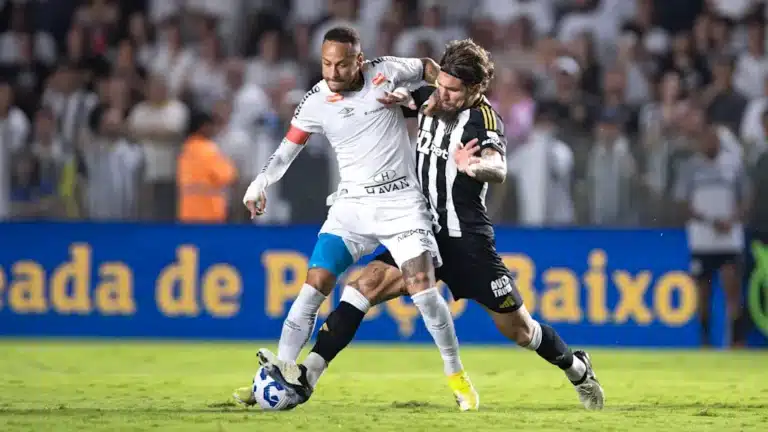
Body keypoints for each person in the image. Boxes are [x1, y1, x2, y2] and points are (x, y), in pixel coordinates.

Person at [254, 39, 606, 411]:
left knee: (521, 331)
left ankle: (577, 368)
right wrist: (397, 102)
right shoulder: (432, 96)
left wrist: (474, 165)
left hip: (466, 244)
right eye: (442, 85)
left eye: (454, 90)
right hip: (420, 230)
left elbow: (498, 166)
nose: (444, 94)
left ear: (475, 88)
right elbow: (393, 104)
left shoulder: (484, 120)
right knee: (362, 287)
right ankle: (307, 376)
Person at [235, 27, 477, 410]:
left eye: (342, 65)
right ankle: (281, 370)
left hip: (401, 203)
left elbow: (429, 67)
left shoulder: (388, 70)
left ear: (359, 62)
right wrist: (260, 182)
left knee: (424, 291)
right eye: (326, 64)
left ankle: (456, 375)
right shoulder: (316, 100)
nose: (333, 72)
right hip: (352, 206)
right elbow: (286, 149)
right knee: (315, 284)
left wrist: (437, 96)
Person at [673, 106, 752, 348]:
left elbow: (746, 197)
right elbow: (682, 203)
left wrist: (733, 219)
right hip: (702, 239)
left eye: (714, 139)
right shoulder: (691, 167)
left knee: (732, 288)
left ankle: (735, 339)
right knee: (702, 293)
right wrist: (708, 220)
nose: (710, 144)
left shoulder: (733, 165)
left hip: (729, 238)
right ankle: (705, 340)